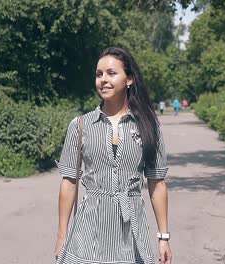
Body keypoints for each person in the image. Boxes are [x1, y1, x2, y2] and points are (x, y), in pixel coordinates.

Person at [54, 47, 172, 264]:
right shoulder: (80, 126)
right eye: (99, 74)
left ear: (129, 80)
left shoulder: (148, 126)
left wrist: (163, 237)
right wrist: (62, 236)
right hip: (88, 232)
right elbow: (69, 183)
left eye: (111, 73)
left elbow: (157, 183)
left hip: (131, 233)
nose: (103, 80)